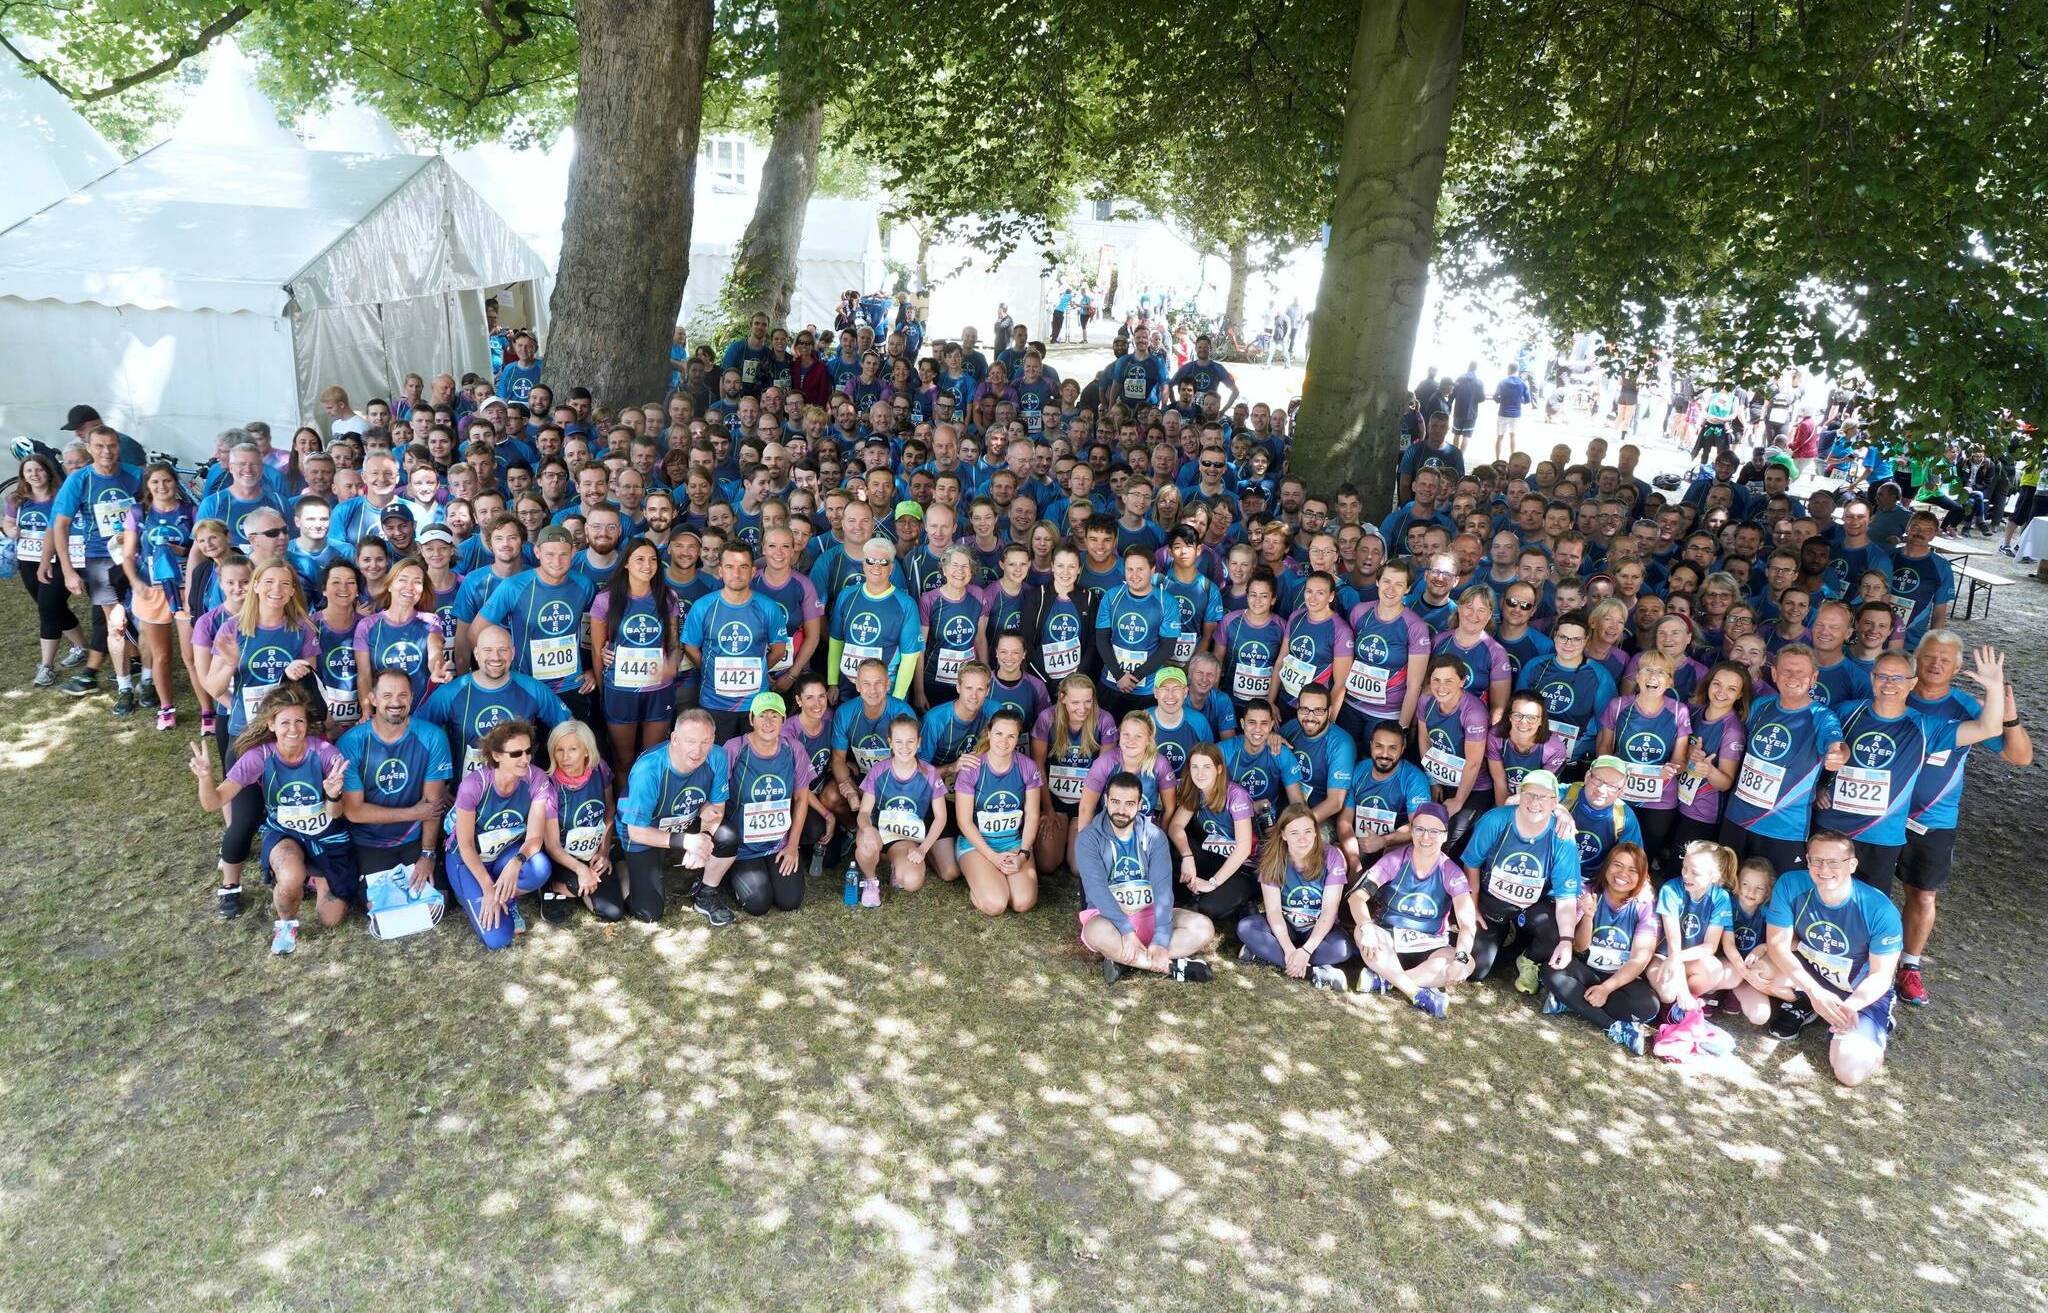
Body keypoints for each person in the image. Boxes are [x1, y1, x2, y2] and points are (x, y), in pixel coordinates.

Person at [1897, 630, 2032, 1005]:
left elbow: (2019, 757)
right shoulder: (1894, 693)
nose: (1935, 664)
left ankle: (1909, 965)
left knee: (1922, 893)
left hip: (1933, 819)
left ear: (1957, 668)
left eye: (1945, 659)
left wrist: (2008, 715)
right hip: (1881, 811)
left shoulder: (1965, 706)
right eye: (1929, 656)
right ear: (1916, 659)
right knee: (1866, 885)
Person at [188, 685, 354, 956]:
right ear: (271, 724)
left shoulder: (325, 753)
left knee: (331, 920)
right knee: (289, 877)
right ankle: (286, 924)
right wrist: (205, 778)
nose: (293, 729)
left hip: (327, 835)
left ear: (307, 723)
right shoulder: (259, 756)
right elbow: (213, 802)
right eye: (285, 722)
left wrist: (333, 794)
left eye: (299, 721)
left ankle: (317, 877)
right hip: (285, 834)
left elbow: (336, 813)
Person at [1763, 831, 1904, 1087]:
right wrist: (1814, 991)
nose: (1824, 869)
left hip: (1857, 990)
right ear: (1807, 861)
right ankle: (1809, 1004)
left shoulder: (1880, 910)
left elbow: (1881, 975)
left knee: (1849, 1073)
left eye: (1834, 862)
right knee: (1759, 970)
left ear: (1852, 864)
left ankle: (1872, 1025)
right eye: (1816, 860)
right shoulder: (1790, 884)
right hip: (1813, 974)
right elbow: (1777, 946)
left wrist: (1851, 1006)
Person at [1076, 772, 1217, 984]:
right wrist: (1126, 931)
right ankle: (1170, 967)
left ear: (1139, 805)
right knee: (1094, 932)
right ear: (1105, 800)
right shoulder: (1088, 839)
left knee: (1204, 928)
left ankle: (1125, 959)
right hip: (1109, 918)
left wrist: (1160, 939)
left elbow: (1163, 891)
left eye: (1129, 804)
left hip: (1149, 914)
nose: (1121, 810)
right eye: (1115, 802)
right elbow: (1097, 891)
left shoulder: (1154, 836)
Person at [1719, 645, 1844, 873]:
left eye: (1800, 672)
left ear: (1813, 678)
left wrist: (1838, 754)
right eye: (1786, 671)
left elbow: (1836, 745)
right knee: (1729, 883)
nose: (1793, 677)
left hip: (1784, 828)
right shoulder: (1760, 705)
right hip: (1738, 817)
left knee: (1778, 890)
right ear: (1774, 674)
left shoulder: (1823, 717)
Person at [1347, 802, 1475, 1018]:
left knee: (1467, 963)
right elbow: (1357, 897)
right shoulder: (1395, 860)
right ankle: (1416, 993)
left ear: (1445, 835)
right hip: (1388, 942)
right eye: (1420, 829)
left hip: (1429, 946)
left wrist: (1460, 959)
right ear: (1412, 831)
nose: (1426, 837)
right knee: (1362, 931)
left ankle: (1385, 980)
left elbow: (1467, 923)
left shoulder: (1451, 872)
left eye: (1434, 831)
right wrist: (1367, 927)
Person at [1459, 770, 1583, 991]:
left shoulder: (1562, 837)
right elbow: (1472, 864)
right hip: (1492, 900)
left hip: (1532, 905)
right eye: (1529, 794)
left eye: (1543, 797)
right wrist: (1472, 907)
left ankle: (1525, 955)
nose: (1534, 802)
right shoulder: (1496, 820)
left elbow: (1566, 897)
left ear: (1555, 801)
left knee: (1555, 935)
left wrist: (1567, 940)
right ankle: (1503, 941)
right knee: (1476, 970)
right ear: (1520, 794)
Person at [441, 718, 556, 949]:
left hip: (505, 853)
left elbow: (535, 838)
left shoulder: (536, 778)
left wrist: (516, 862)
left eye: (528, 751)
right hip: (467, 859)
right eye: (516, 754)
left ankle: (507, 898)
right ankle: (479, 892)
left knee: (540, 867)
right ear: (496, 755)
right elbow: (465, 845)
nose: (525, 759)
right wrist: (487, 887)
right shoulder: (474, 785)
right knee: (498, 939)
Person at [48, 424, 142, 704]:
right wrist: (68, 571)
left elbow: (154, 507)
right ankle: (120, 682)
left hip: (136, 555)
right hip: (100, 559)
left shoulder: (135, 475)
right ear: (89, 448)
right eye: (99, 446)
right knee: (113, 619)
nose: (106, 451)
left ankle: (139, 667)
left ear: (118, 447)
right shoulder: (79, 480)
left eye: (111, 445)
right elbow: (60, 525)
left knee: (138, 615)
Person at [337, 667, 453, 895]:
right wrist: (413, 813)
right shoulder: (351, 743)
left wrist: (427, 854)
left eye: (403, 695)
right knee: (377, 904)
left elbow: (432, 805)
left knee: (437, 900)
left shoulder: (433, 737)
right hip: (369, 840)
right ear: (373, 699)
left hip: (415, 838)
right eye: (387, 695)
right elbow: (354, 811)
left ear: (411, 697)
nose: (396, 702)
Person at [611, 710, 733, 926]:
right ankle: (620, 862)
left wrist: (703, 839)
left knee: (728, 836)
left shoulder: (717, 756)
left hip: (686, 820)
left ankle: (706, 893)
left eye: (705, 741)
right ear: (674, 739)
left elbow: (717, 809)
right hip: (644, 830)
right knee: (649, 912)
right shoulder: (648, 770)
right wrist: (688, 842)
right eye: (691, 741)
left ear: (713, 739)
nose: (698, 750)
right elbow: (636, 831)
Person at [1540, 842, 1660, 1055]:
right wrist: (1588, 916)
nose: (1623, 874)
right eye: (1617, 865)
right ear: (1606, 866)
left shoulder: (1645, 906)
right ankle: (1614, 1026)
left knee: (1648, 1006)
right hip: (1585, 971)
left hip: (1620, 980)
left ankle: (1571, 1000)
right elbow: (1579, 946)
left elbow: (1639, 960)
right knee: (1552, 971)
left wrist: (1606, 988)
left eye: (1632, 870)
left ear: (1642, 876)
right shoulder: (1588, 892)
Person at [702, 692, 816, 917]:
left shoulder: (794, 749)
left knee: (790, 901)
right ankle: (729, 871)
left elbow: (801, 798)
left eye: (775, 716)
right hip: (743, 846)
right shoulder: (734, 748)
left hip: (778, 843)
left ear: (784, 720)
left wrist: (792, 846)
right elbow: (712, 794)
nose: (768, 722)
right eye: (762, 715)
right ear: (751, 719)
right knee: (758, 904)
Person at [677, 542, 790, 741]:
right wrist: (709, 670)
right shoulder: (703, 607)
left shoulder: (768, 607)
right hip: (714, 702)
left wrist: (760, 669)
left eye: (743, 567)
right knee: (717, 754)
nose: (736, 573)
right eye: (730, 566)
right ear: (720, 571)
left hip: (755, 703)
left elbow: (779, 649)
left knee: (751, 756)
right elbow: (690, 647)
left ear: (753, 571)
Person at [1235, 803, 1353, 991]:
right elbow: (1273, 911)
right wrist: (1290, 949)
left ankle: (1267, 954)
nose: (1302, 839)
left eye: (1307, 831)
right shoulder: (1273, 857)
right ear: (1283, 835)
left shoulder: (1332, 856)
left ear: (1316, 833)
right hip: (1286, 926)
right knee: (1246, 928)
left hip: (1318, 930)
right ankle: (1312, 972)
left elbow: (1329, 912)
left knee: (1342, 949)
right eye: (1294, 833)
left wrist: (1306, 950)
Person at [1595, 652, 1691, 876]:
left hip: (1660, 799)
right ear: (1637, 676)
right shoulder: (1618, 706)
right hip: (1620, 792)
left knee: (1643, 857)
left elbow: (1680, 760)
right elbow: (1604, 749)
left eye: (1661, 672)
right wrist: (1614, 773)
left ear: (1670, 681)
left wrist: (1671, 770)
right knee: (1612, 851)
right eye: (1647, 670)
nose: (1653, 676)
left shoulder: (1679, 711)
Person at [591, 538, 681, 768]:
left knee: (651, 761)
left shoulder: (668, 597)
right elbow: (597, 650)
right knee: (623, 760)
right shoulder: (606, 600)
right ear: (626, 563)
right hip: (620, 691)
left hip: (658, 690)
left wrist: (672, 666)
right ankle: (624, 794)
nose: (647, 565)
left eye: (652, 560)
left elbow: (674, 644)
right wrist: (603, 690)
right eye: (639, 559)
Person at [951, 706, 1045, 916]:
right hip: (977, 846)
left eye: (1011, 736)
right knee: (996, 904)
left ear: (1018, 738)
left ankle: (994, 878)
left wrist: (1023, 854)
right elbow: (964, 821)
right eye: (999, 734)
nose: (1004, 741)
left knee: (1022, 902)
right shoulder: (973, 768)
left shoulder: (1027, 767)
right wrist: (992, 857)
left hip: (1012, 843)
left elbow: (1032, 815)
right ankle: (980, 878)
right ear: (989, 733)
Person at [854, 714, 948, 902]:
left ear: (919, 742)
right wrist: (868, 829)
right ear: (890, 742)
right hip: (879, 833)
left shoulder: (930, 774)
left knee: (911, 882)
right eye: (898, 741)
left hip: (906, 839)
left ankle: (896, 865)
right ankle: (870, 880)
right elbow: (863, 812)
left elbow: (941, 817)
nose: (904, 747)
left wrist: (923, 849)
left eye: (910, 741)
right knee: (866, 846)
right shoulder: (879, 770)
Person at [1168, 743, 1260, 927]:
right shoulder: (1196, 791)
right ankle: (1191, 891)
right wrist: (1187, 856)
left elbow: (1243, 849)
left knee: (1209, 907)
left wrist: (1212, 883)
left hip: (1245, 867)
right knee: (1173, 849)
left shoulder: (1236, 796)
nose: (1200, 773)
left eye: (1206, 767)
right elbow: (1175, 827)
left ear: (1219, 769)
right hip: (1215, 857)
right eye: (1195, 767)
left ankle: (1245, 901)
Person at [1650, 841, 1742, 1020]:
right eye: (1684, 867)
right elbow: (1673, 946)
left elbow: (1709, 947)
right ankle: (1672, 1003)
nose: (1686, 875)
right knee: (1668, 993)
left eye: (1695, 872)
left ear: (1714, 877)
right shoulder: (1670, 890)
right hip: (1663, 956)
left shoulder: (1720, 897)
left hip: (1688, 959)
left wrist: (1679, 966)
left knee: (1715, 969)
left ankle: (1681, 1007)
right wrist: (1682, 990)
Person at [541, 718, 614, 922]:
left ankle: (614, 868)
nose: (565, 757)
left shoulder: (599, 769)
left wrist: (604, 851)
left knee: (613, 911)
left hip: (592, 851)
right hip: (562, 857)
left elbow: (609, 810)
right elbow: (552, 846)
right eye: (559, 750)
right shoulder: (549, 786)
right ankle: (551, 885)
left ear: (587, 751)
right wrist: (581, 869)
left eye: (573, 749)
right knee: (579, 887)